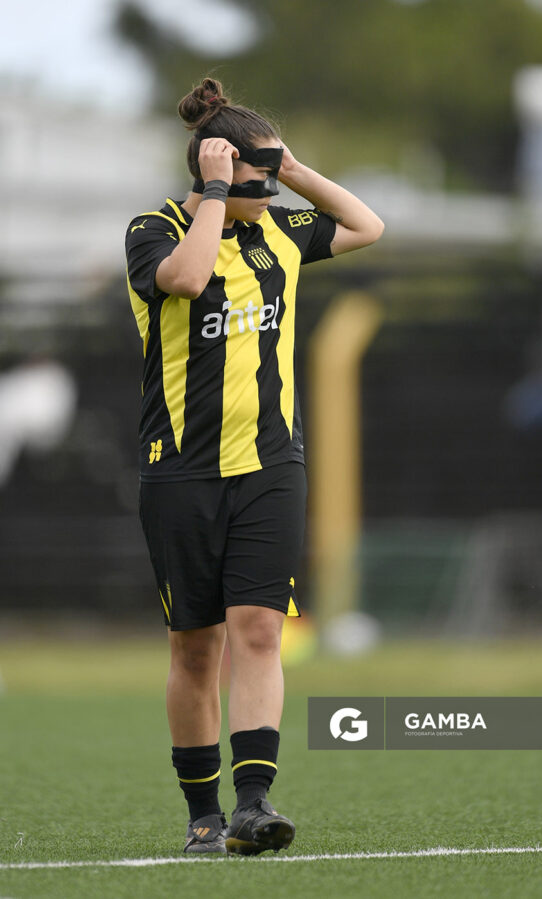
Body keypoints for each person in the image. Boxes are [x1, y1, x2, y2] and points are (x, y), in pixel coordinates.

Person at [125, 77, 384, 856]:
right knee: (196, 647)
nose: (265, 197)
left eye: (269, 182)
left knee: (261, 631)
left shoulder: (280, 228)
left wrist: (294, 170)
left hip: (272, 464)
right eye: (253, 183)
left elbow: (367, 225)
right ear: (211, 174)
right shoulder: (156, 227)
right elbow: (186, 279)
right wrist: (212, 193)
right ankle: (202, 814)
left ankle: (252, 802)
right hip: (181, 472)